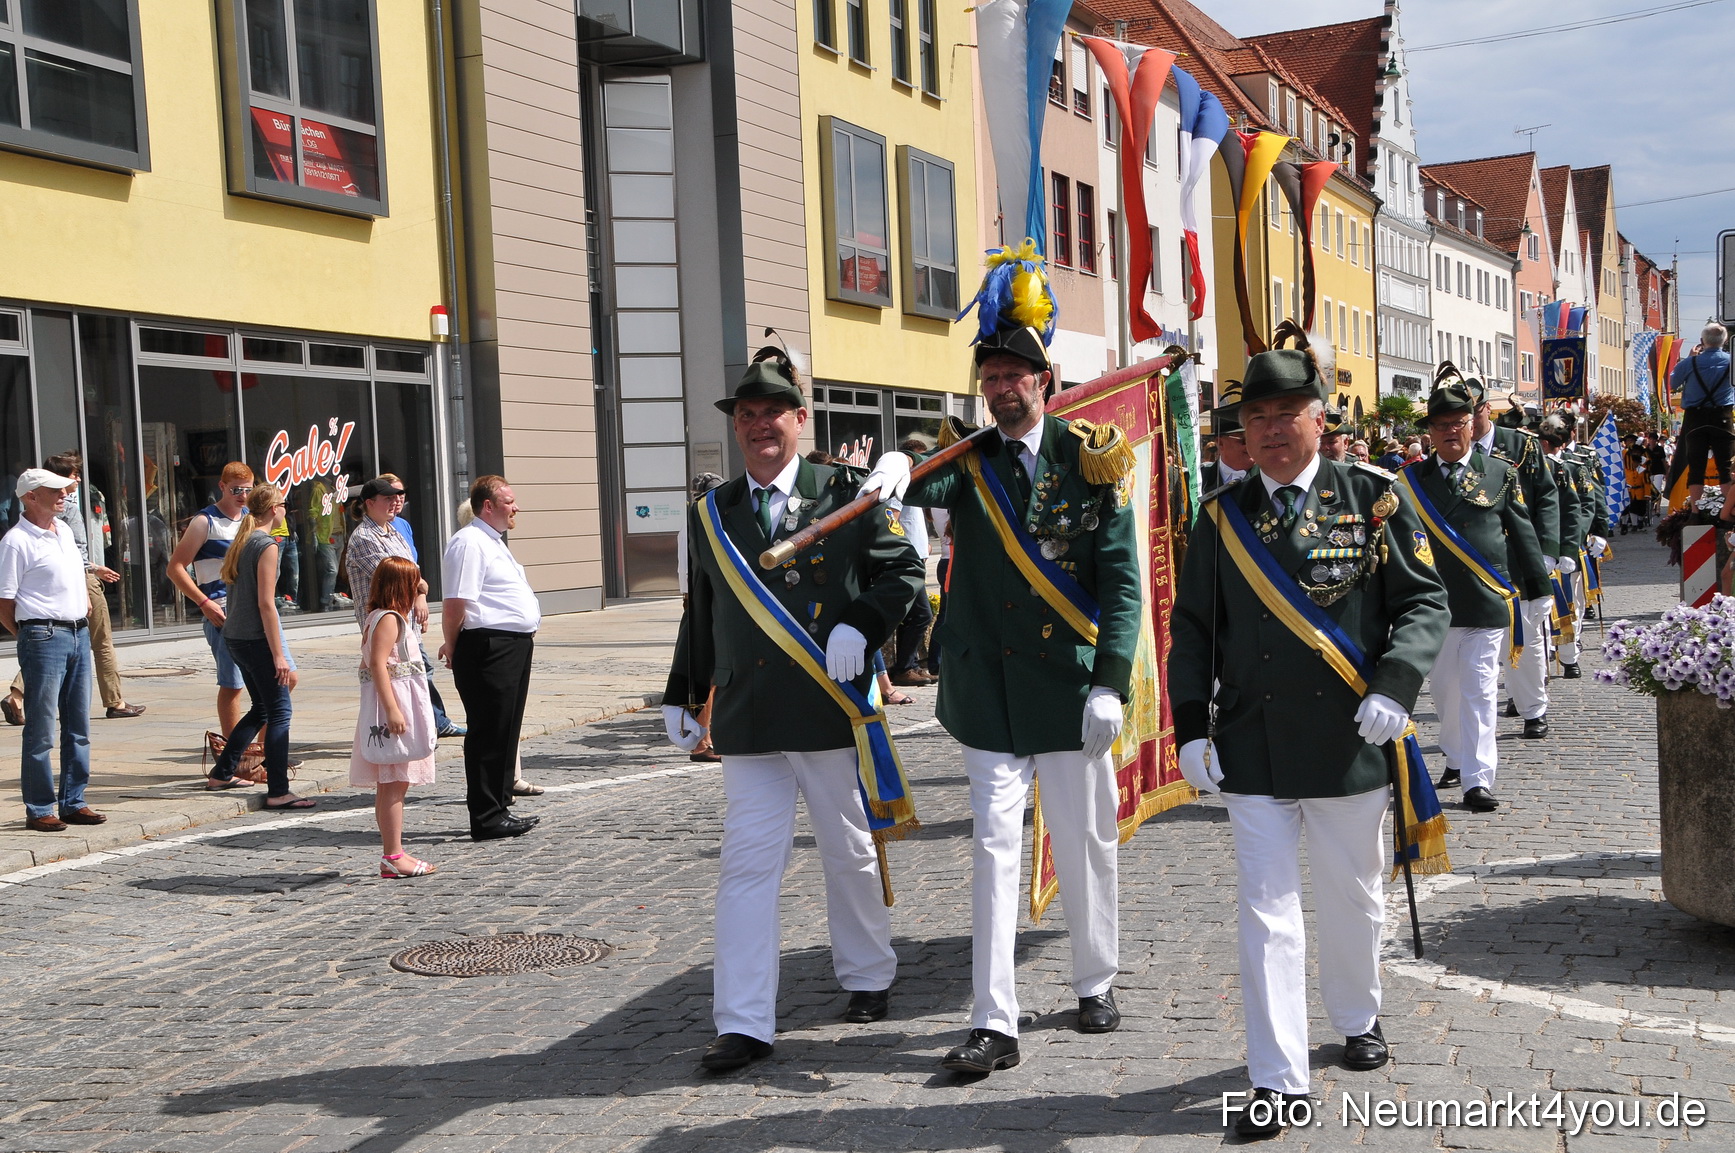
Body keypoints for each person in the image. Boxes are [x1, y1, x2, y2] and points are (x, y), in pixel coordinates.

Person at [1167, 334, 1448, 1139]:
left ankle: (1358, 1015)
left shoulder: (1373, 497)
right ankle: (1276, 1080)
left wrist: (1396, 685)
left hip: (1346, 740)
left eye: (1285, 412)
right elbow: (1190, 629)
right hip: (1252, 743)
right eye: (1255, 416)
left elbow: (1423, 603)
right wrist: (1190, 728)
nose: (1269, 428)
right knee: (1265, 913)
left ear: (1319, 419)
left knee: (1351, 898)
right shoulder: (1220, 518)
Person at [861, 319, 1142, 1076]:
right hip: (986, 688)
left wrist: (1110, 681)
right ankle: (993, 1018)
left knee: (1084, 839)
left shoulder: (1087, 458)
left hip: (1066, 687)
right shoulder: (969, 458)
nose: (1000, 388)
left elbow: (1120, 582)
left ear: (1043, 381)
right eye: (989, 377)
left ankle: (1094, 977)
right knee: (992, 851)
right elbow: (924, 478)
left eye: (1014, 375)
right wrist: (899, 458)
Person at [663, 348, 924, 1072]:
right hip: (748, 714)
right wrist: (684, 691)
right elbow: (704, 610)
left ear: (800, 419)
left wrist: (862, 625)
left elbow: (903, 570)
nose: (758, 427)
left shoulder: (844, 490)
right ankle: (743, 1021)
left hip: (827, 704)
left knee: (846, 847)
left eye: (771, 413)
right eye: (745, 416)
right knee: (747, 867)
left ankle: (867, 973)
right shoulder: (712, 511)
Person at [1409, 382, 1549, 812]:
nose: (1451, 431)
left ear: (1473, 425)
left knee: (1480, 690)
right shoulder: (1410, 480)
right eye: (1442, 425)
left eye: (1459, 423)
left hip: (1487, 600)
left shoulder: (1499, 472)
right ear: (1430, 431)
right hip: (1435, 605)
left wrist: (1539, 589)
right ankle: (1455, 756)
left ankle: (1477, 779)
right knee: (1446, 693)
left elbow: (1522, 533)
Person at [2, 452, 145, 727]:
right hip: (79, 580)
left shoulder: (60, 519)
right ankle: (115, 701)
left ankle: (17, 696)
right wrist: (92, 570)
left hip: (79, 582)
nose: (75, 481)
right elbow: (5, 599)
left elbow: (69, 550)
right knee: (101, 641)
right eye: (71, 475)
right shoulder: (52, 513)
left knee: (75, 721)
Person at [0, 468, 107, 832]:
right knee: (42, 728)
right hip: (44, 636)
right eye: (56, 491)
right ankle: (40, 806)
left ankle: (73, 801)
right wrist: (30, 633)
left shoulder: (61, 530)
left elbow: (73, 574)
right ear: (31, 497)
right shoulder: (16, 541)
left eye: (65, 491)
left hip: (77, 632)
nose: (64, 496)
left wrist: (81, 606)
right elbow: (5, 602)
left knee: (78, 724)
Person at [440, 475, 542, 841]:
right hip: (487, 645)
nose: (516, 508)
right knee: (488, 730)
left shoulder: (491, 541)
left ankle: (500, 806)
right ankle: (485, 816)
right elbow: (455, 603)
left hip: (511, 645)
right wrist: (452, 645)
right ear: (489, 505)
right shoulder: (469, 542)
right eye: (510, 501)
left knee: (506, 728)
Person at [205, 484, 313, 808]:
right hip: (254, 638)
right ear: (272, 510)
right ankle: (278, 790)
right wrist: (279, 654)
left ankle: (222, 772)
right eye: (283, 505)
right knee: (280, 711)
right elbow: (267, 604)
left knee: (261, 709)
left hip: (236, 637)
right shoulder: (266, 545)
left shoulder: (244, 540)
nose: (285, 510)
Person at [344, 476, 466, 740]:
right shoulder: (365, 537)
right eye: (387, 498)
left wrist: (419, 595)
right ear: (369, 503)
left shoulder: (393, 530)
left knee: (414, 676)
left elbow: (414, 572)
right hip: (384, 625)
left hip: (404, 621)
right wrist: (420, 588)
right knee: (390, 678)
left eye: (396, 497)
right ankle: (392, 731)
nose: (394, 502)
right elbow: (401, 578)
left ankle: (419, 729)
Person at [1470, 384, 1560, 741]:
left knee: (1524, 636)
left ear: (1486, 410)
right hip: (1474, 561)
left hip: (1517, 556)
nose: (1466, 424)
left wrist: (1547, 550)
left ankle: (1533, 709)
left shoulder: (1521, 444)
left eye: (1473, 413)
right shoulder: (1448, 451)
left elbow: (1546, 496)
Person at [352, 556, 438, 879]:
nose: (417, 589)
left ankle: (393, 851)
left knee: (388, 784)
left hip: (393, 707)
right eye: (412, 584)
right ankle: (393, 854)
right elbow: (377, 665)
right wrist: (392, 709)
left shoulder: (378, 617)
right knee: (394, 783)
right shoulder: (389, 620)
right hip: (395, 709)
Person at [166, 462, 253, 740]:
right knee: (233, 683)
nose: (242, 496)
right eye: (236, 490)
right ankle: (232, 752)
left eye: (247, 490)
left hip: (252, 609)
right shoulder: (205, 521)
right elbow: (176, 567)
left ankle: (264, 751)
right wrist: (204, 602)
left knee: (277, 679)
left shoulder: (251, 518)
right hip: (221, 609)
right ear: (222, 487)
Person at [1540, 416, 1595, 679]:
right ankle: (1547, 650)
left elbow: (1584, 507)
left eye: (1549, 442)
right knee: (1540, 608)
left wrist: (1570, 546)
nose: (1545, 447)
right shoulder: (1530, 469)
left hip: (1567, 548)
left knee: (1569, 604)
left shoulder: (1572, 467)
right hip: (1539, 550)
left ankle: (1570, 657)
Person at [1668, 324, 1733, 517]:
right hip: (1722, 416)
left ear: (1702, 341)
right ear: (1725, 341)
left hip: (1695, 417)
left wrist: (1689, 359)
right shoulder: (1731, 361)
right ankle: (1729, 512)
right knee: (1726, 466)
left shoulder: (1691, 363)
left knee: (1695, 466)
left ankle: (1696, 511)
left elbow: (1671, 383)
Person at [889, 437, 937, 688]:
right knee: (921, 614)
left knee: (912, 615)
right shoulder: (900, 482)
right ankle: (904, 667)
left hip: (916, 556)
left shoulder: (915, 484)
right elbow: (891, 520)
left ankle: (909, 665)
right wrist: (906, 549)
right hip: (906, 559)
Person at [1202, 384, 1252, 489]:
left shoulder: (1273, 476)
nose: (1251, 445)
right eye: (1243, 440)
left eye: (1254, 438)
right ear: (1220, 443)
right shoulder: (1198, 480)